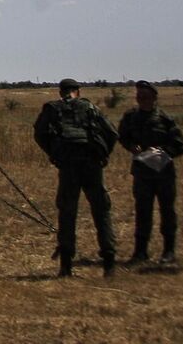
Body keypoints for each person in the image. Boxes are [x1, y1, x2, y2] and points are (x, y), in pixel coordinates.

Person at [34, 78, 119, 277]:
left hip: (68, 165)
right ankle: (109, 261)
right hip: (92, 163)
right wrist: (103, 154)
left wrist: (55, 155)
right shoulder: (90, 107)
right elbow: (112, 132)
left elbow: (39, 133)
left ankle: (66, 265)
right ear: (78, 91)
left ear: (60, 92)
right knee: (101, 210)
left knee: (67, 212)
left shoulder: (52, 109)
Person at [117, 80, 183, 266]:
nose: (142, 100)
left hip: (164, 172)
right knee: (142, 211)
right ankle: (140, 252)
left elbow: (180, 145)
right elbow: (122, 137)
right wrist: (132, 147)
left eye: (146, 96)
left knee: (167, 211)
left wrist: (162, 153)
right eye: (139, 96)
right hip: (142, 173)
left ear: (154, 98)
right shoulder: (130, 117)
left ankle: (169, 251)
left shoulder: (165, 118)